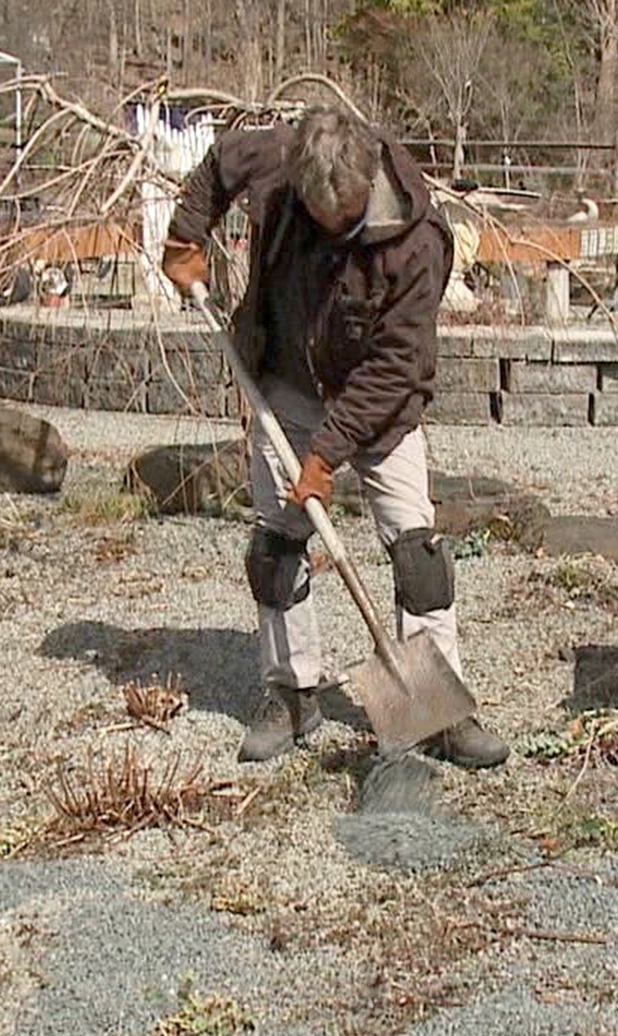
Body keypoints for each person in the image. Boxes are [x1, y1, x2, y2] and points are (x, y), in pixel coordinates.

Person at [160, 103, 509, 770]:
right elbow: (218, 163)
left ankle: (439, 711)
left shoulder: (416, 239)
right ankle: (292, 693)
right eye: (319, 219)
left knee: (418, 554)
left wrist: (326, 454)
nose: (332, 230)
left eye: (343, 221)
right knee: (278, 547)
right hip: (288, 377)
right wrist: (185, 236)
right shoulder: (279, 160)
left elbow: (396, 366)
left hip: (378, 403)